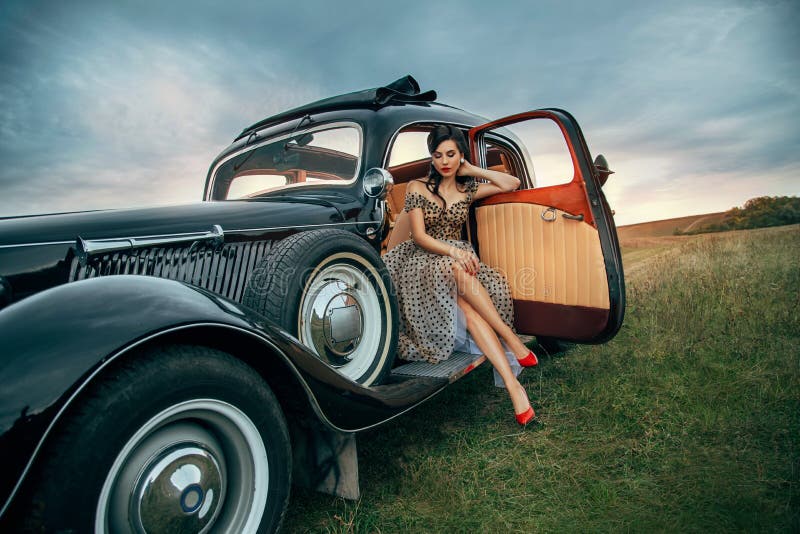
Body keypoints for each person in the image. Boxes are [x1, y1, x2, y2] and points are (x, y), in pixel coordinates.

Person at [382, 124, 539, 426]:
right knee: (456, 266)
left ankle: (514, 387)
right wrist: (454, 252)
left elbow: (512, 182)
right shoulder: (417, 187)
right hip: (421, 262)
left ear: (460, 156)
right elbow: (419, 236)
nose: (444, 161)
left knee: (468, 307)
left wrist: (471, 168)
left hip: (456, 265)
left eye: (451, 154)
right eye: (438, 155)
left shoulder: (468, 190)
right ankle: (511, 340)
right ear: (431, 158)